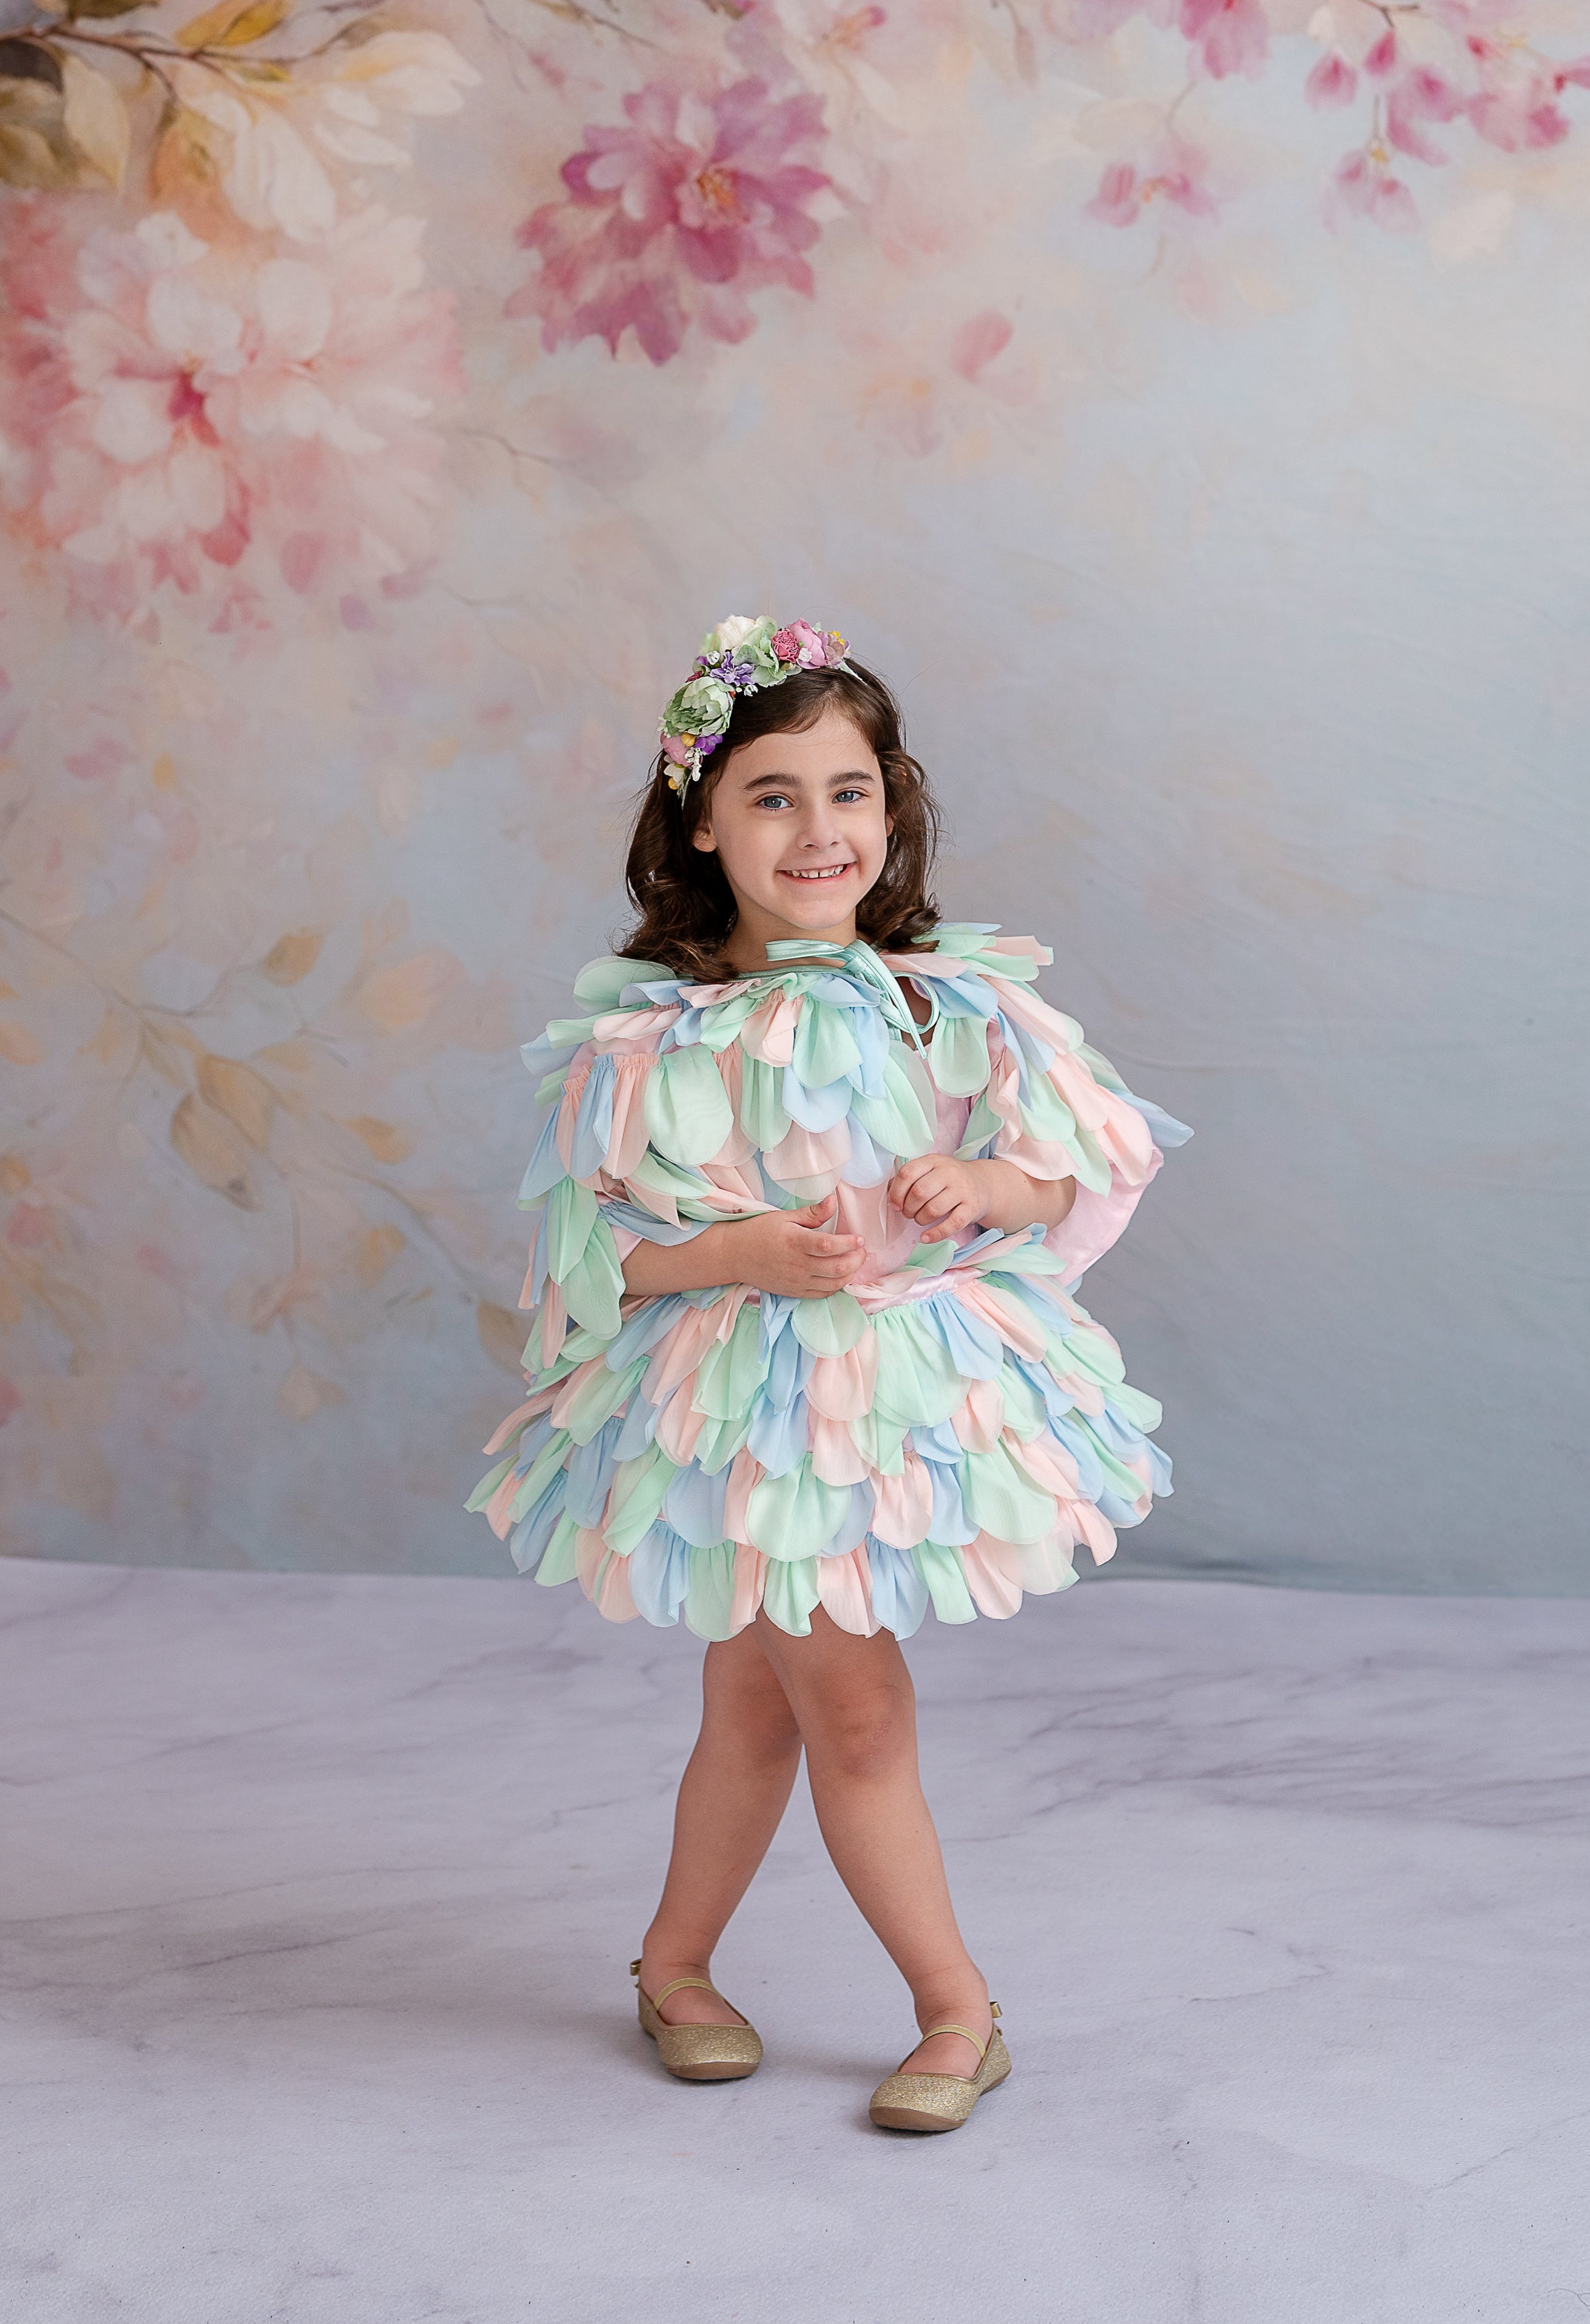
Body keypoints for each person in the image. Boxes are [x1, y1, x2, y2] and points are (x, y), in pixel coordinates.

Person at [469, 615, 1189, 2134]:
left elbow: (1082, 1169)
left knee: (753, 1704)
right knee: (850, 1710)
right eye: (773, 795)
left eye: (847, 790)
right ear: (703, 821)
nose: (817, 829)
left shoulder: (953, 1000)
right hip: (742, 1420)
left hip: (893, 1404)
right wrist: (736, 1254)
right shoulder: (645, 1041)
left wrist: (990, 1191)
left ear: (891, 806)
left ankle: (673, 1964)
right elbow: (589, 1260)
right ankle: (955, 2007)